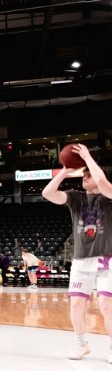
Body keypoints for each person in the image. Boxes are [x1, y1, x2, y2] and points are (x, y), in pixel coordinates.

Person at [42, 144, 112, 360]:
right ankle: (82, 344)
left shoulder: (108, 197)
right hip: (81, 260)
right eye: (84, 175)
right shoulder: (76, 198)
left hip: (106, 258)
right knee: (76, 303)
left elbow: (102, 183)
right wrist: (65, 170)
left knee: (106, 304)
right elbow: (47, 193)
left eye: (88, 175)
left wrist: (88, 158)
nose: (85, 177)